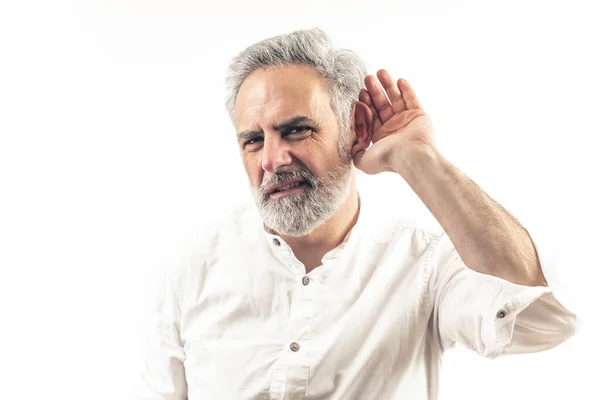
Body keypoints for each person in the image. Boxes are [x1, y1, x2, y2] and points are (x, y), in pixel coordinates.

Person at [138, 28, 579, 400]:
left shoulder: (423, 264)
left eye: (296, 130)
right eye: (253, 140)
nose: (272, 159)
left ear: (356, 130)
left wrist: (418, 159)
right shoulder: (194, 267)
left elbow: (546, 322)